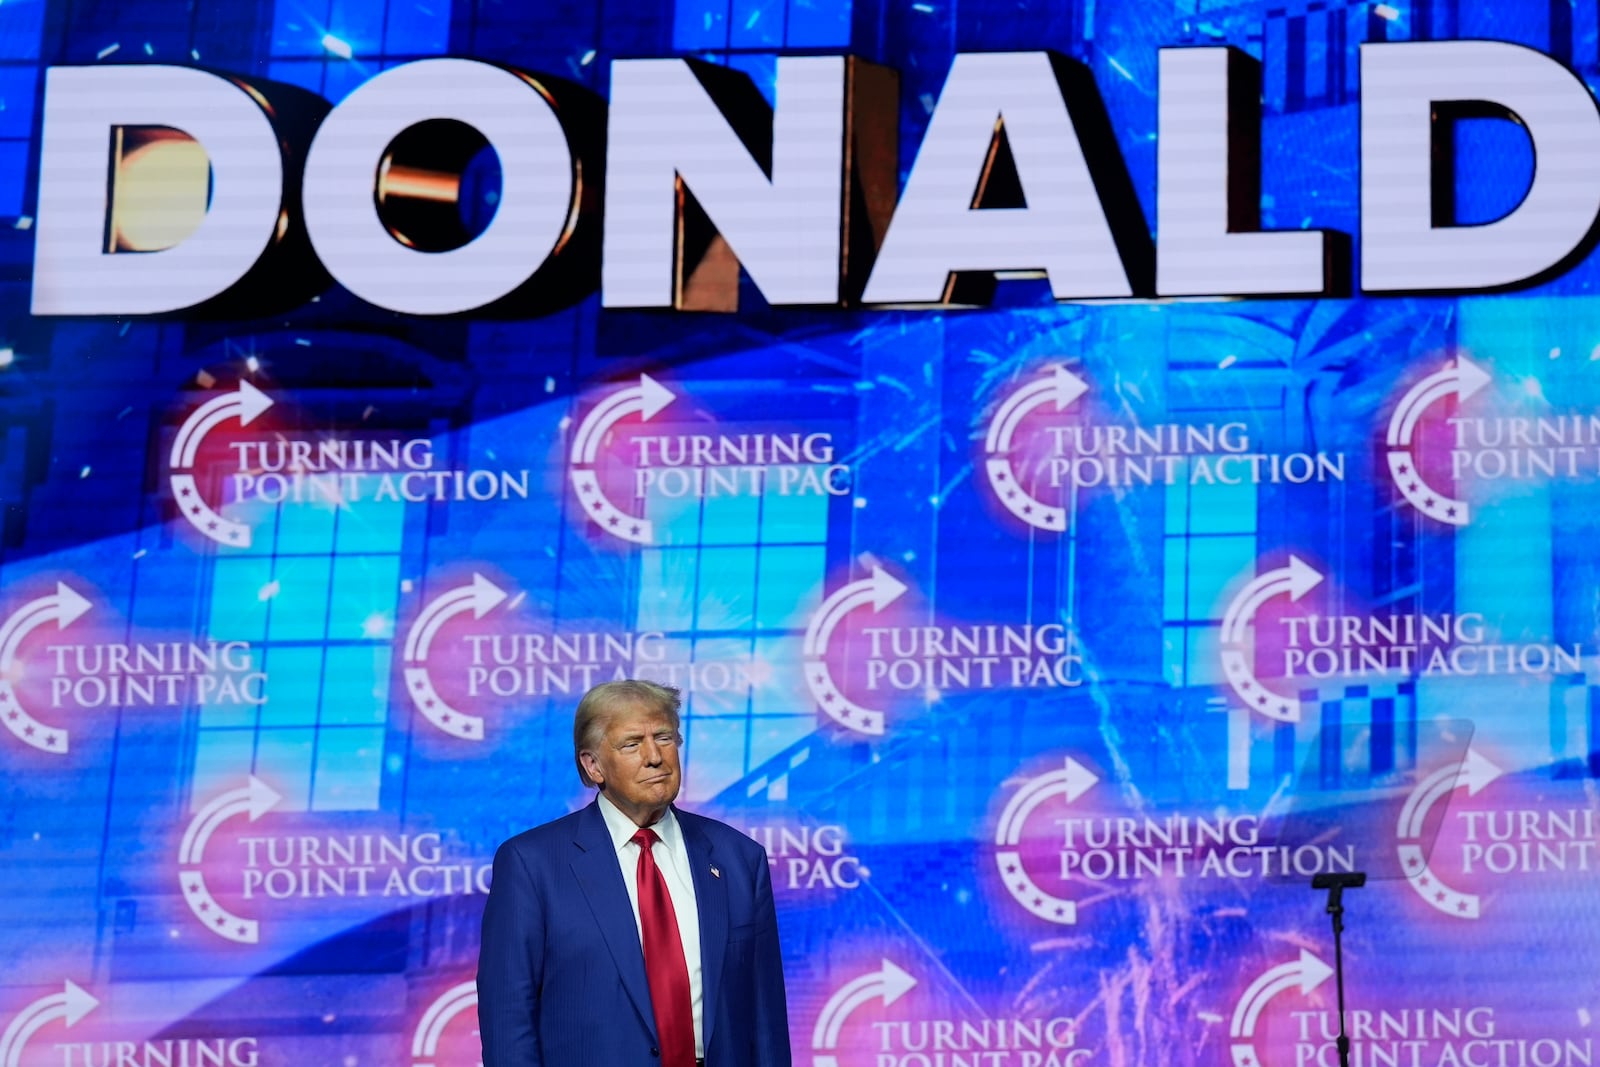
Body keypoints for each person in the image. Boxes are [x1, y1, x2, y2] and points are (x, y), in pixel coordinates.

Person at [477, 679, 792, 1066]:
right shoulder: (531, 864)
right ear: (593, 765)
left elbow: (766, 1019)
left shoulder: (739, 858)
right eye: (632, 743)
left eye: (664, 737)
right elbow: (508, 1018)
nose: (655, 756)